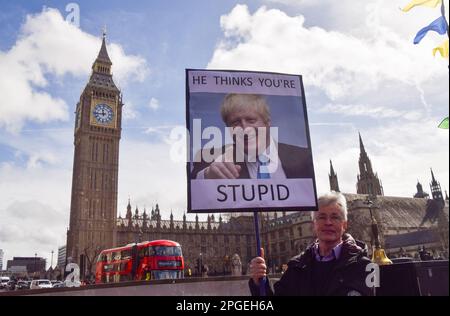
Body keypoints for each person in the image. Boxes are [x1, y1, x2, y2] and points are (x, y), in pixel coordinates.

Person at [249, 191, 373, 296]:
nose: (328, 222)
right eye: (322, 217)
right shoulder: (296, 267)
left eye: (335, 217)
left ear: (344, 225)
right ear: (313, 224)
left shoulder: (365, 266)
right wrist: (259, 282)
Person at [192, 94, 314, 180]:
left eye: (251, 120)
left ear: (267, 122)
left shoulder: (302, 157)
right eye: (235, 123)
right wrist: (207, 176)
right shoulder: (209, 158)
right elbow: (194, 191)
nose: (245, 129)